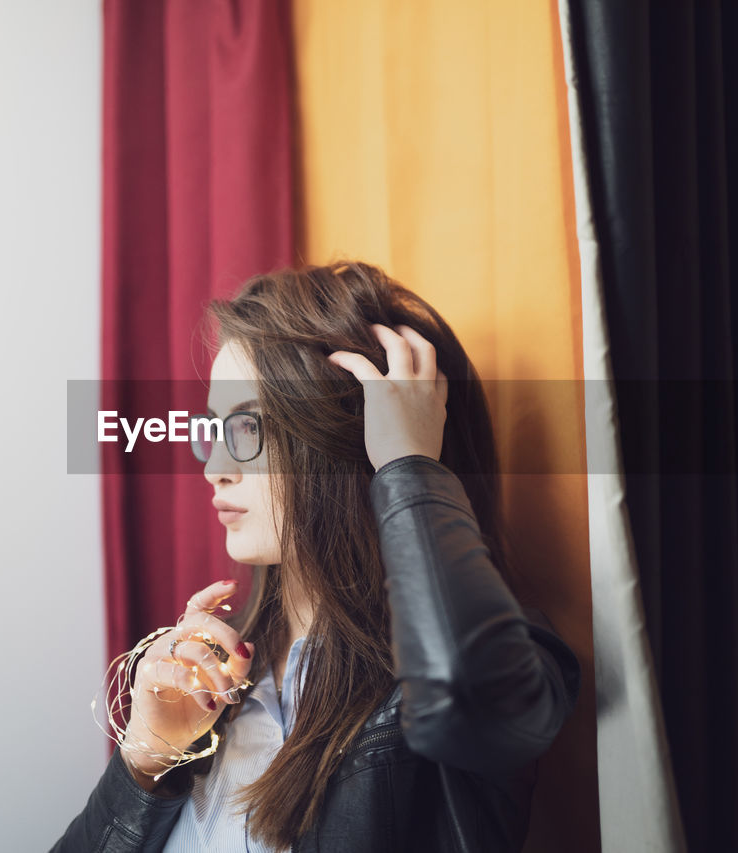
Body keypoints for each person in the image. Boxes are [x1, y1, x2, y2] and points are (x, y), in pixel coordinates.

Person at [54, 261, 581, 852]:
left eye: (247, 429)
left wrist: (407, 466)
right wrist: (146, 759)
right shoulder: (218, 682)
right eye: (212, 430)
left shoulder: (494, 659)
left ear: (359, 439)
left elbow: (470, 705)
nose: (213, 469)